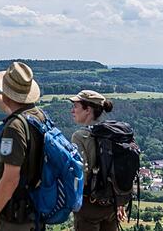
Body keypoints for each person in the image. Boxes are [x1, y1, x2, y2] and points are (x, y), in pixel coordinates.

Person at [0, 61, 45, 231]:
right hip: (33, 209)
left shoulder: (14, 128)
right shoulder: (37, 116)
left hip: (14, 215)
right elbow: (11, 108)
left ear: (7, 93)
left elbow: (10, 178)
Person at [69, 90, 126, 231]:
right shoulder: (115, 133)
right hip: (112, 204)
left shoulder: (80, 136)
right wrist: (120, 200)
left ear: (88, 110)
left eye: (75, 106)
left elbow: (81, 174)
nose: (72, 111)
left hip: (89, 205)